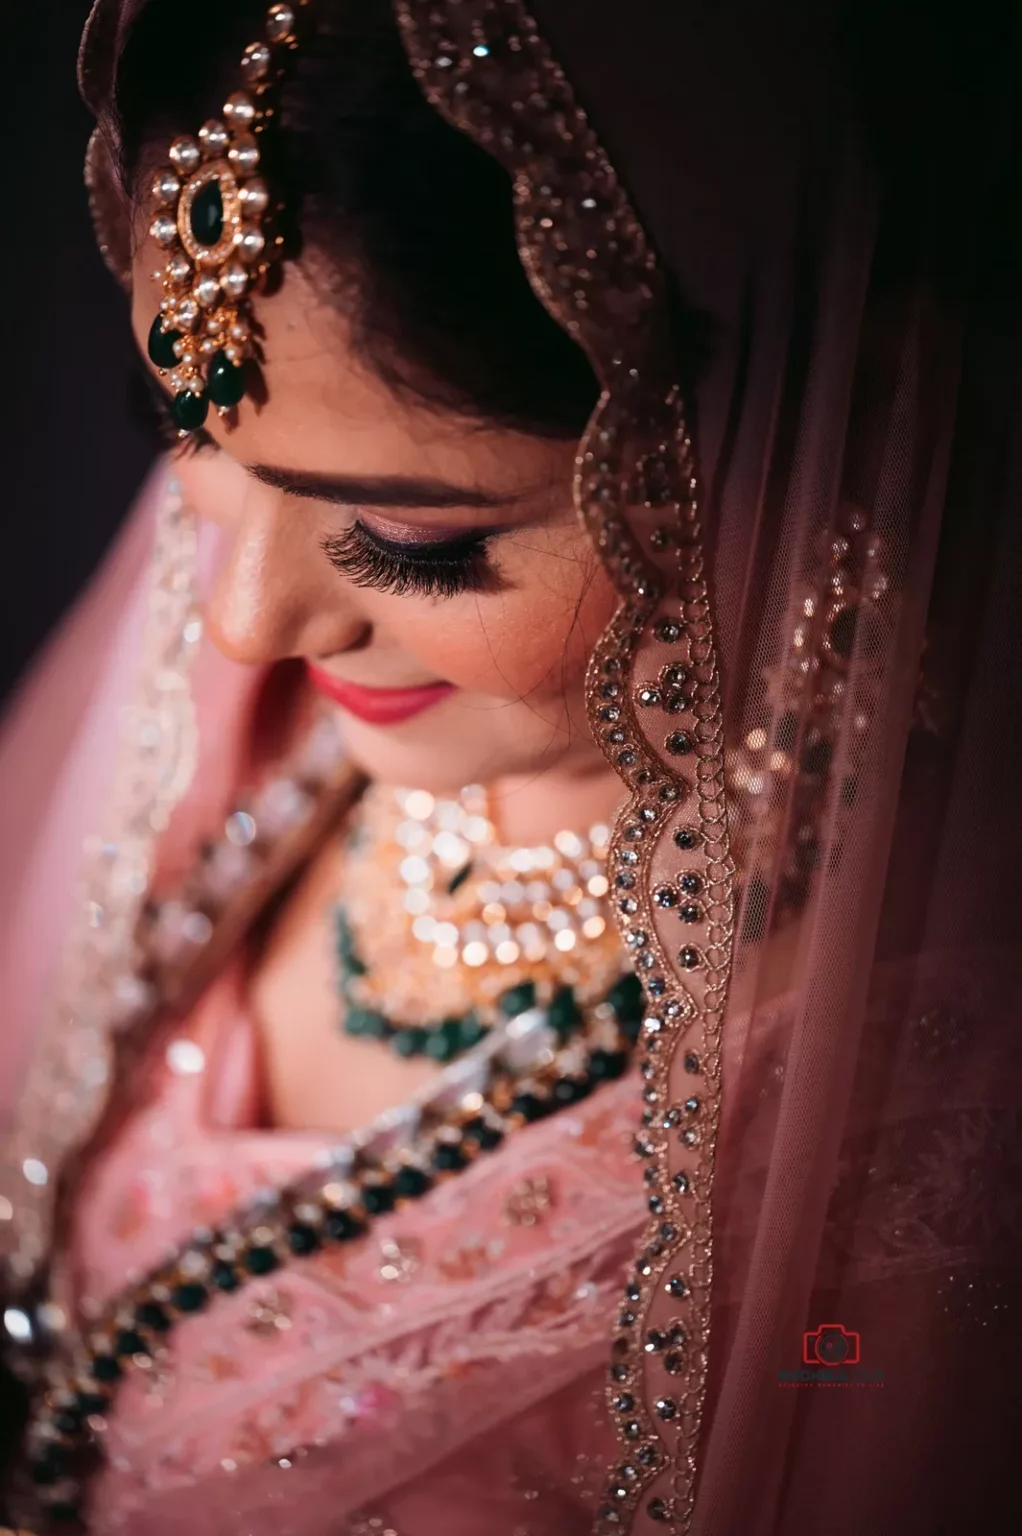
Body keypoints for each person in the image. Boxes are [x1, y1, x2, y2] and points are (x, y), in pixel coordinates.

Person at [2, 0, 1021, 1532]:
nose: (239, 621)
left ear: (825, 421)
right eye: (190, 441)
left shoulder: (918, 1105)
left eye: (413, 540)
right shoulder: (215, 657)